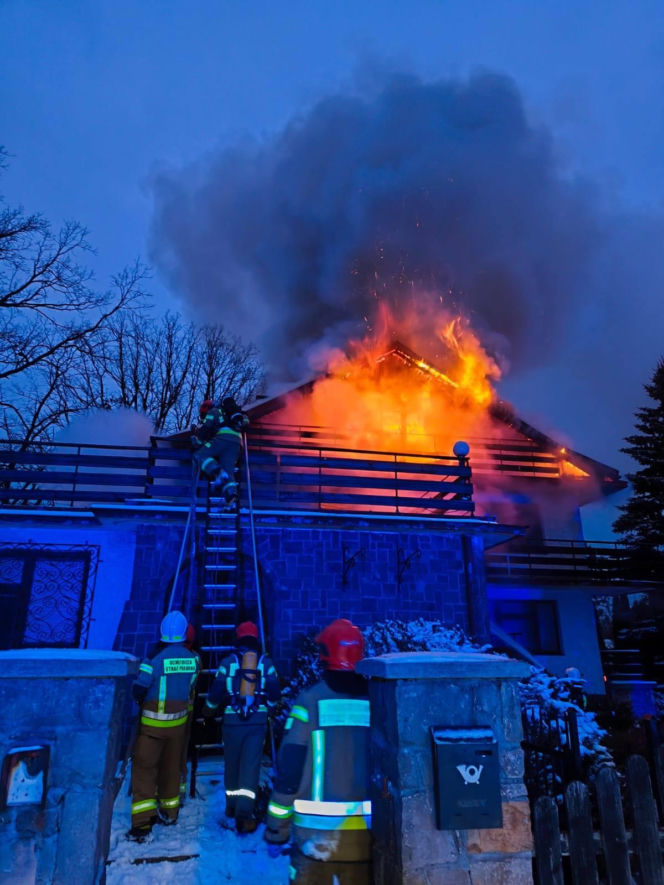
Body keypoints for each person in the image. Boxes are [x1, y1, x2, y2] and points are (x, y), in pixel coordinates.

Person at [264, 618, 372, 884]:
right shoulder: (376, 704)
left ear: (324, 656)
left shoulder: (309, 701)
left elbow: (289, 771)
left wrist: (276, 830)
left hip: (313, 839)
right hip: (365, 839)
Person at [127, 611, 201, 842]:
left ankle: (141, 824)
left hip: (151, 727)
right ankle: (170, 812)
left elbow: (139, 689)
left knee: (144, 771)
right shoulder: (193, 660)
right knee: (171, 770)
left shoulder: (154, 659)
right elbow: (191, 687)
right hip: (178, 726)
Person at [202, 620, 281, 833]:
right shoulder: (266, 663)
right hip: (257, 721)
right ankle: (244, 812)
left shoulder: (228, 662)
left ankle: (231, 807)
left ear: (238, 638)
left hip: (231, 721)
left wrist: (208, 711)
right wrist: (270, 708)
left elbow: (216, 692)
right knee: (250, 766)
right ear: (256, 639)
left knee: (232, 764)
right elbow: (274, 692)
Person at [191, 396, 249, 505]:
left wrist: (197, 439)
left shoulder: (214, 411)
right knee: (228, 470)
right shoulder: (238, 414)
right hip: (237, 443)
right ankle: (231, 495)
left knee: (199, 455)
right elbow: (245, 423)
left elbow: (207, 428)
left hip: (223, 438)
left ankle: (217, 471)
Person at [179, 622, 201, 806]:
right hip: (186, 713)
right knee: (180, 753)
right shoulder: (195, 659)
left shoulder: (161, 657)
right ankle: (179, 793)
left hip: (157, 715)